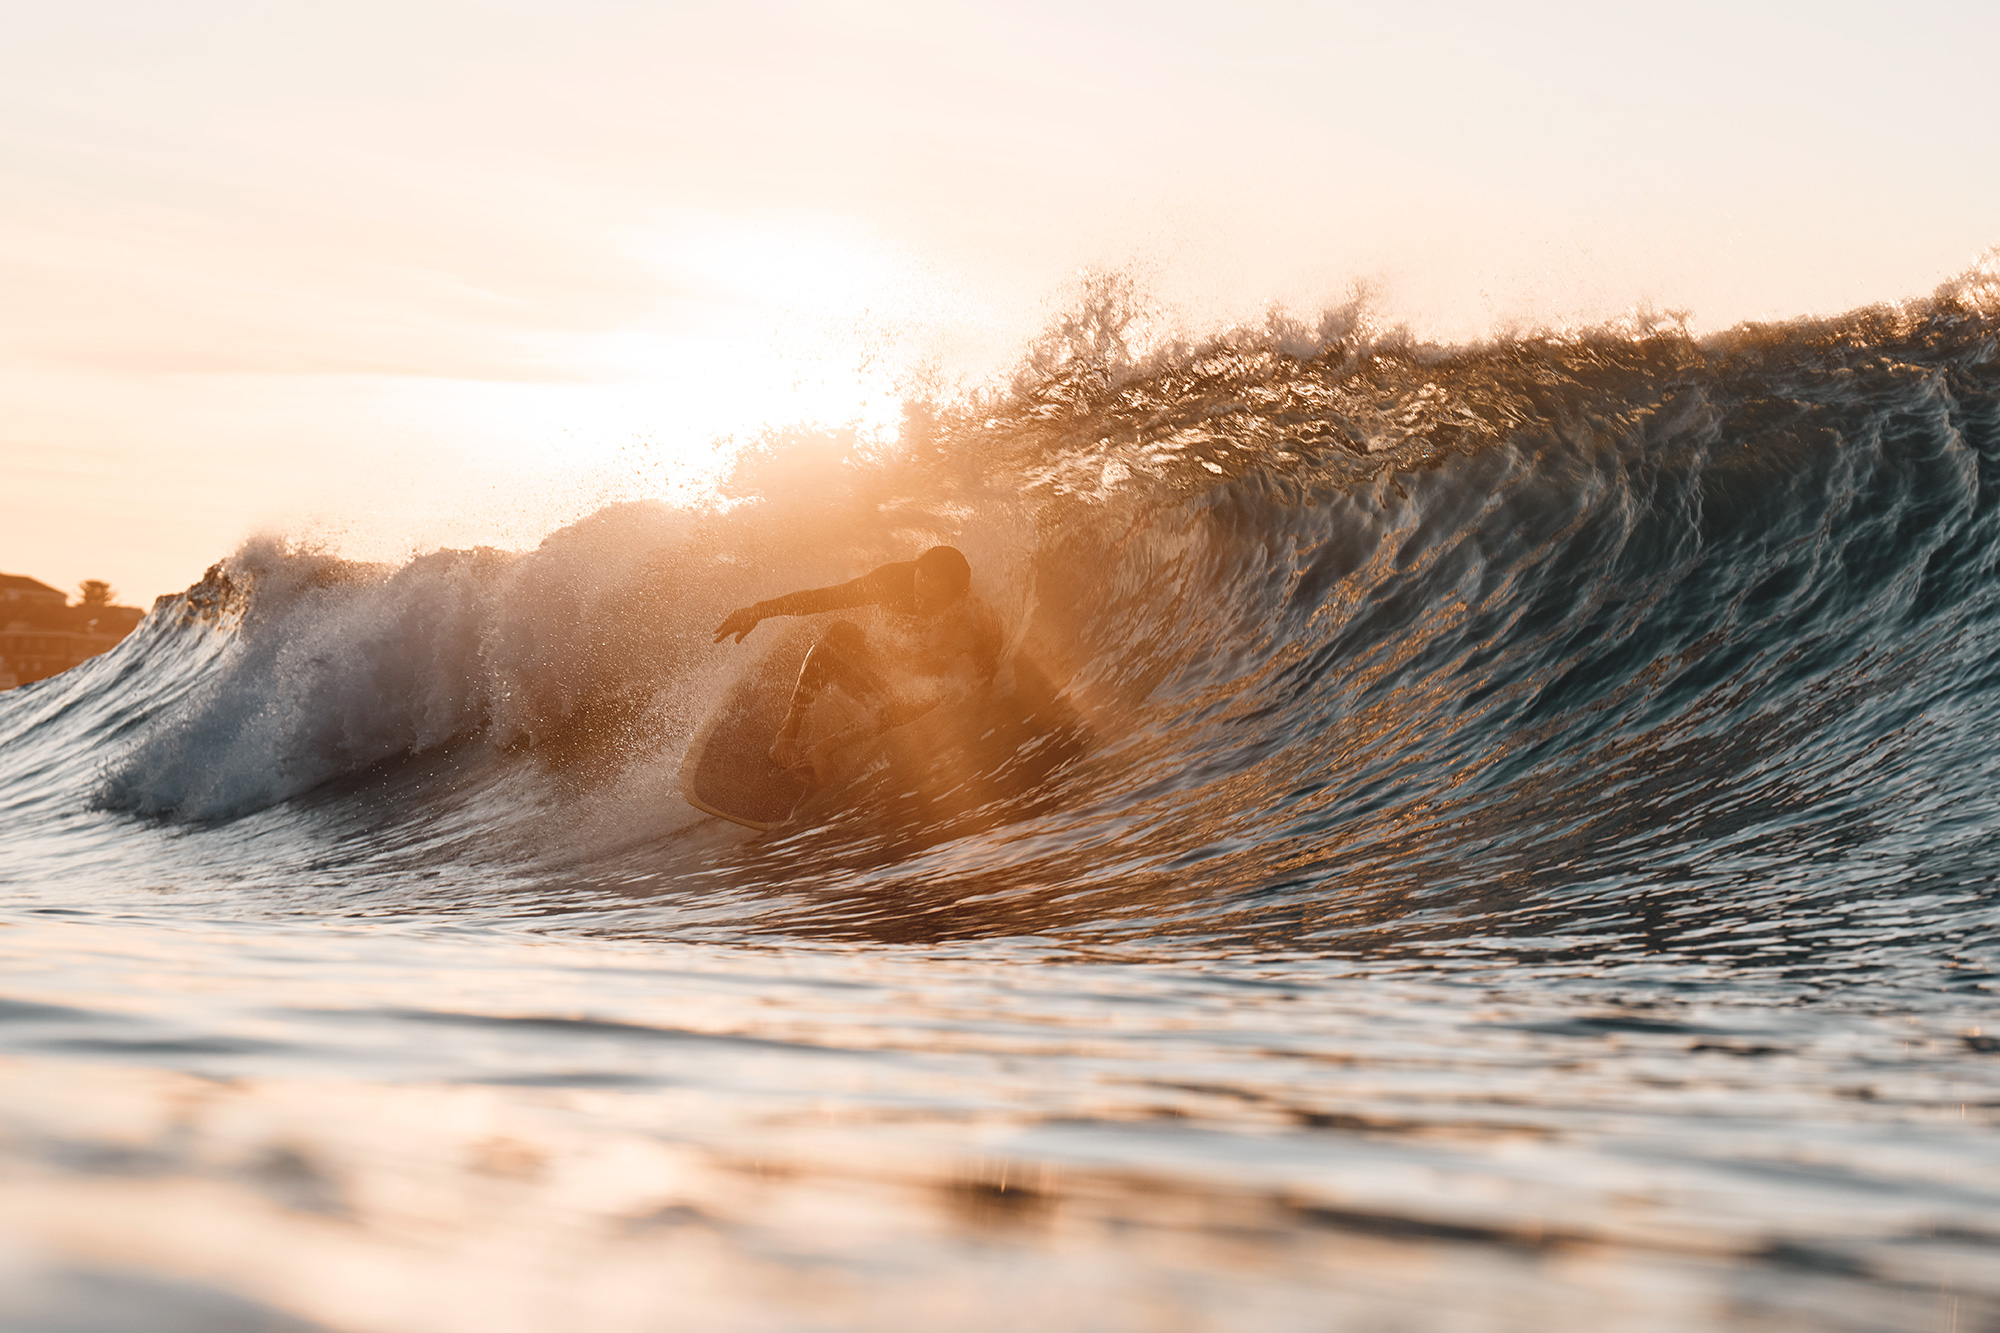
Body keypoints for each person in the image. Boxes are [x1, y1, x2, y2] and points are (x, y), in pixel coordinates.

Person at [712, 545, 1002, 784]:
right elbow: (825, 599)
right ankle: (788, 731)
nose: (920, 604)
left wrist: (983, 704)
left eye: (931, 601)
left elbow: (984, 671)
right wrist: (760, 611)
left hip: (909, 683)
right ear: (915, 572)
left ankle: (826, 748)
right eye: (918, 594)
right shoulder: (891, 581)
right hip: (874, 657)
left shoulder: (975, 615)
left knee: (931, 692)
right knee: (840, 632)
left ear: (958, 596)